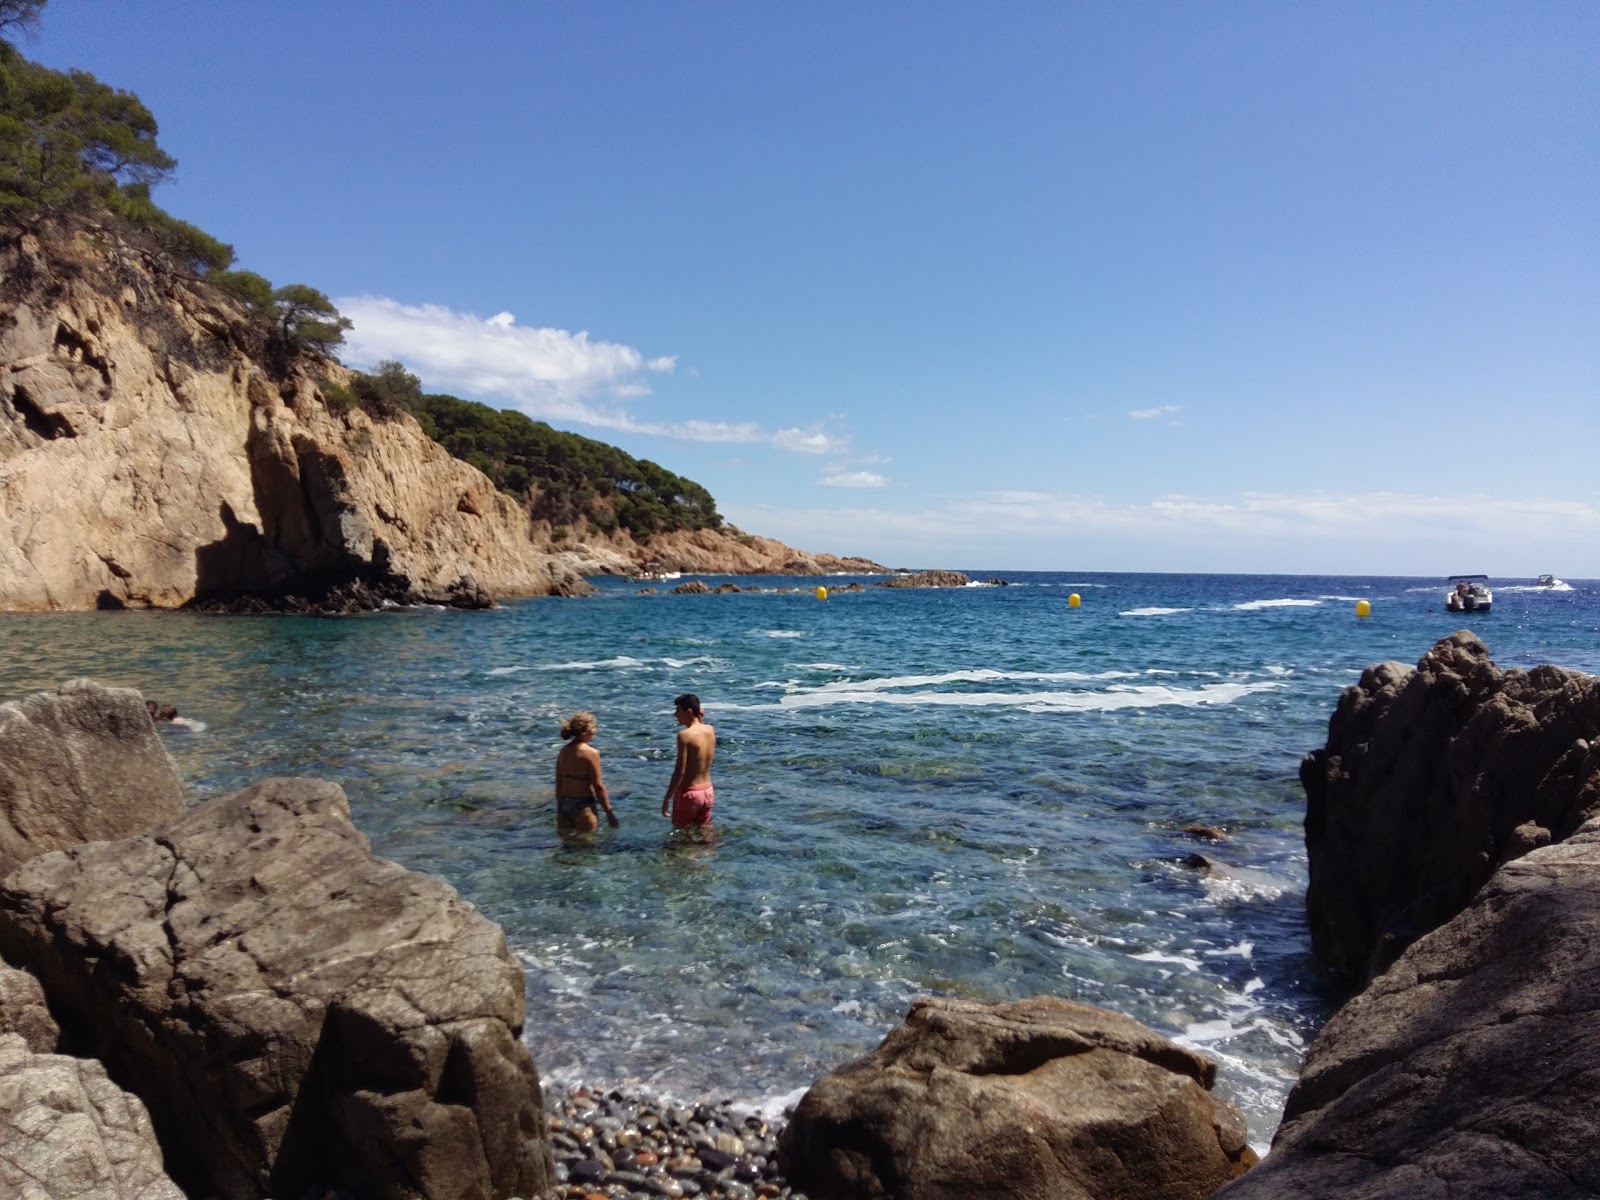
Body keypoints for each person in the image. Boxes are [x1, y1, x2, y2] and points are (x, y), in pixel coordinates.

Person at [555, 711, 618, 834]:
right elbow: (598, 786)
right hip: (584, 805)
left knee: (565, 847)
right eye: (594, 727)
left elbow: (559, 782)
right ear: (587, 730)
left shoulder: (563, 751)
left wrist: (560, 807)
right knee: (587, 848)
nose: (596, 730)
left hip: (565, 804)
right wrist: (609, 813)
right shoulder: (591, 753)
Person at [663, 693, 716, 828]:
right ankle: (710, 849)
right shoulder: (710, 730)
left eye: (678, 711)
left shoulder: (684, 735)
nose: (675, 714)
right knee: (705, 830)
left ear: (689, 711)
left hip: (690, 793)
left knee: (681, 833)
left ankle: (685, 850)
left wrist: (667, 798)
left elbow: (680, 770)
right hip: (707, 791)